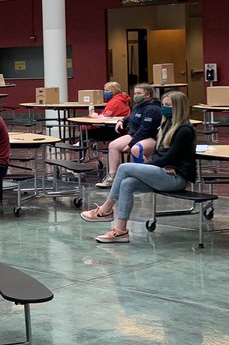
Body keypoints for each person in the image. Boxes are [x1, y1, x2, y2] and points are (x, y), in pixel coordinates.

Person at [80, 90, 196, 243]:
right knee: (127, 183)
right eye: (163, 105)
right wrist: (162, 163)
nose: (163, 108)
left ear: (178, 107)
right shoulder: (165, 126)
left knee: (124, 168)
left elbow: (170, 157)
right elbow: (157, 153)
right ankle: (120, 231)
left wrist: (157, 164)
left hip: (176, 178)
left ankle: (106, 209)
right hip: (164, 172)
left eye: (168, 106)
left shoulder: (184, 130)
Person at [98, 82, 160, 189]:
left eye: (139, 93)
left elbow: (144, 131)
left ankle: (145, 177)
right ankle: (112, 177)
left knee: (136, 149)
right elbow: (131, 117)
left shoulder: (153, 109)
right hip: (134, 134)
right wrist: (122, 120)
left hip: (150, 137)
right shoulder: (137, 106)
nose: (136, 96)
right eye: (135, 93)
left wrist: (130, 144)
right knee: (113, 145)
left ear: (148, 95)